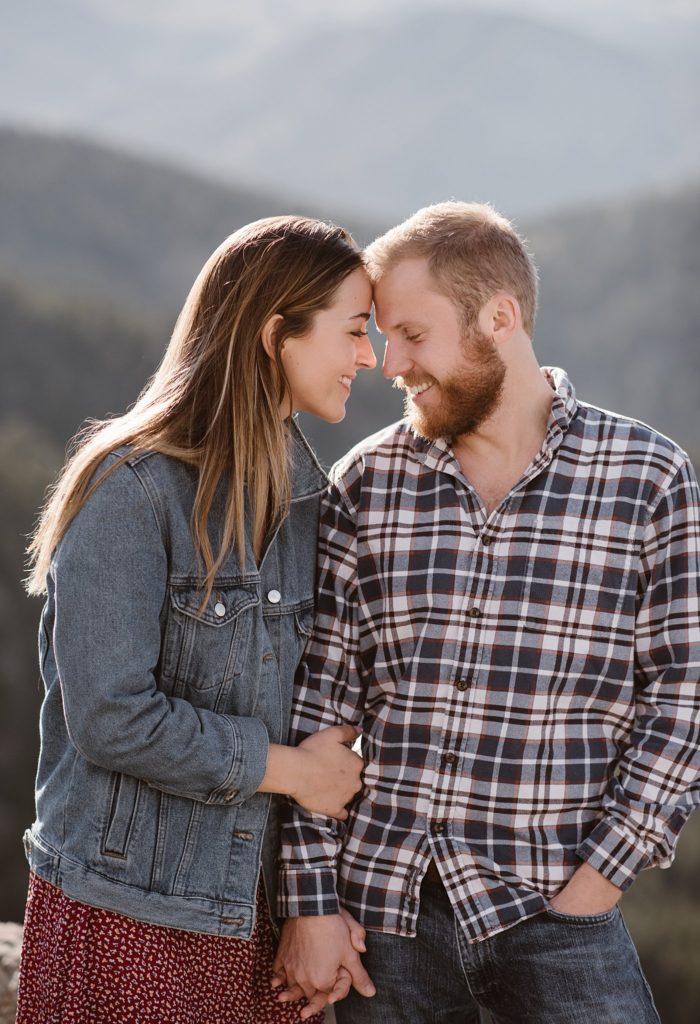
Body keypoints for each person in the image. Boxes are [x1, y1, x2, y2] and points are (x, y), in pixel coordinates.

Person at [272, 202, 700, 1023]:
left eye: (413, 335)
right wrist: (311, 898)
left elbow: (682, 700)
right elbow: (320, 704)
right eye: (382, 336)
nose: (389, 363)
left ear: (498, 318)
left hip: (558, 914)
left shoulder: (647, 478)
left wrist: (597, 883)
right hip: (385, 923)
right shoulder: (369, 484)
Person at [17, 215, 378, 1024]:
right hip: (128, 914)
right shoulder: (132, 491)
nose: (369, 357)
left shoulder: (313, 506)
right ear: (274, 332)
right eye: (354, 331)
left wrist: (316, 904)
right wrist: (291, 771)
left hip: (256, 921)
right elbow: (110, 717)